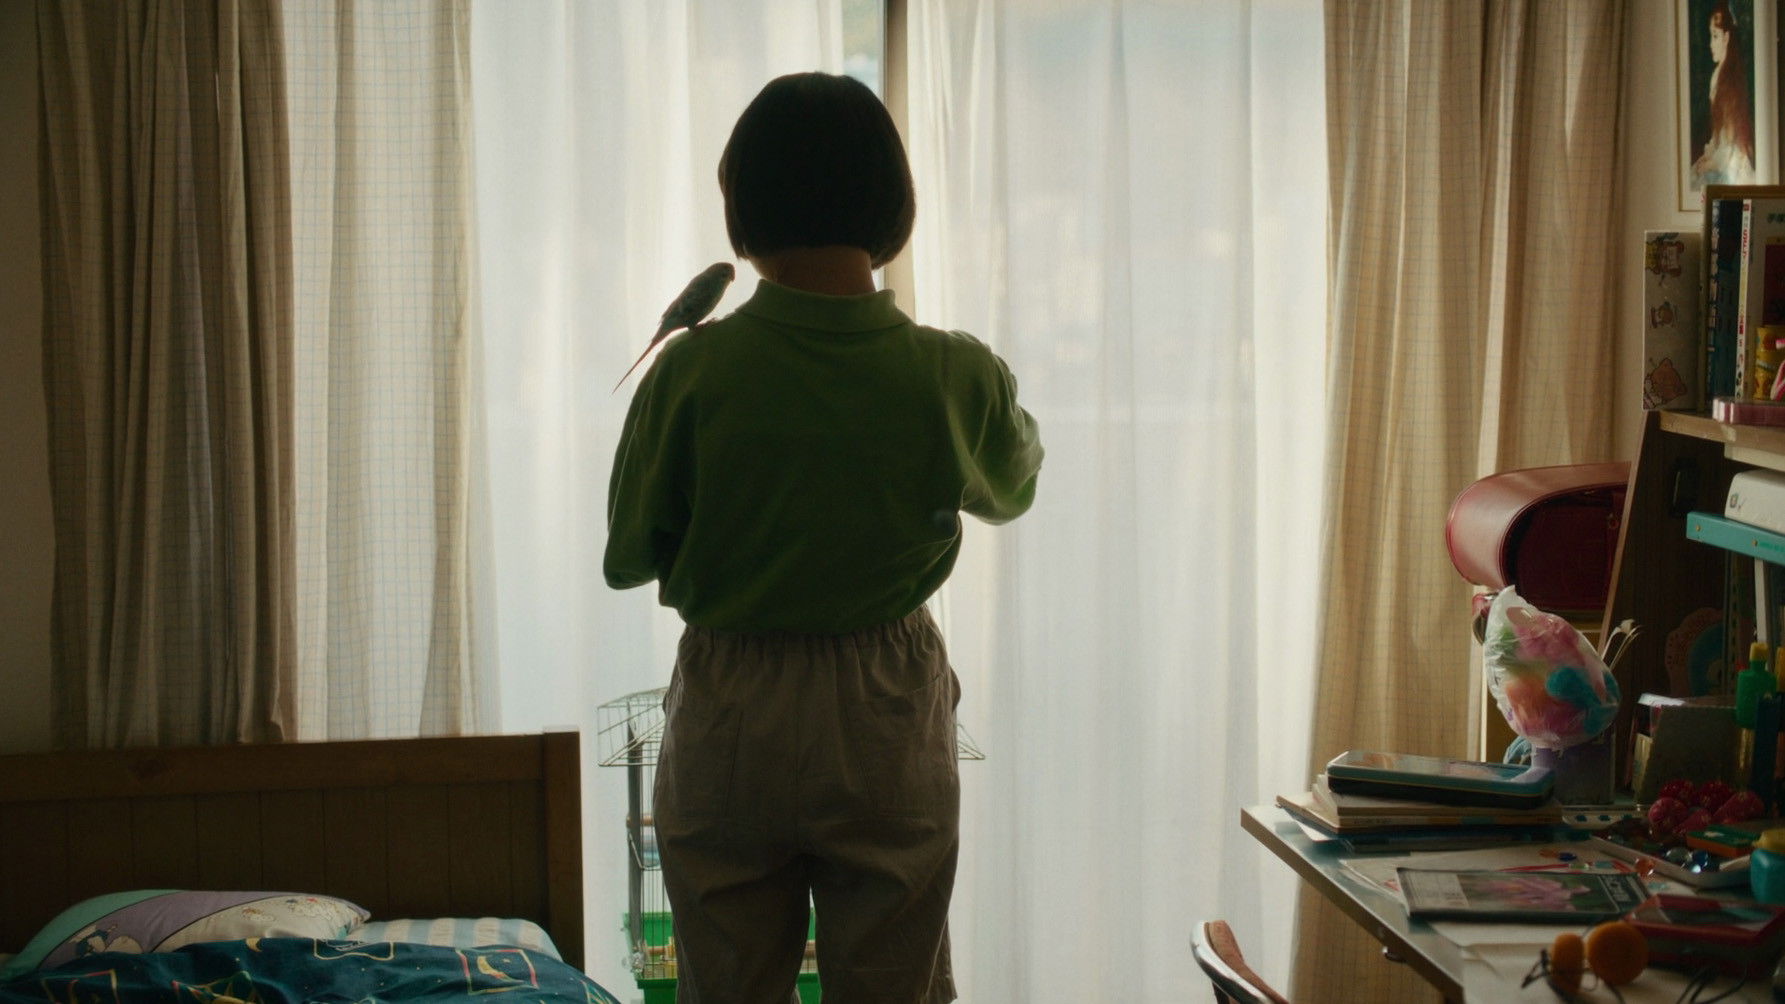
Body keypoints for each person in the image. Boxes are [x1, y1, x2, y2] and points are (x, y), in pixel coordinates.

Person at [604, 72, 1043, 1004]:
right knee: (893, 986)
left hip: (731, 702)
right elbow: (1013, 491)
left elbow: (628, 554)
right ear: (891, 205)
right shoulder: (952, 373)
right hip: (884, 706)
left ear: (744, 208)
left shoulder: (690, 374)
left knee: (725, 988)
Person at [1693, 1, 1756, 186]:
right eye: (1710, 36)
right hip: (1721, 156)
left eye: (1715, 36)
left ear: (1726, 38)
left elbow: (1730, 146)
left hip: (1733, 163)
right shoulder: (1717, 76)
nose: (1711, 44)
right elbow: (1718, 136)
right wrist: (1708, 156)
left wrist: (1711, 163)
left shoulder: (1731, 82)